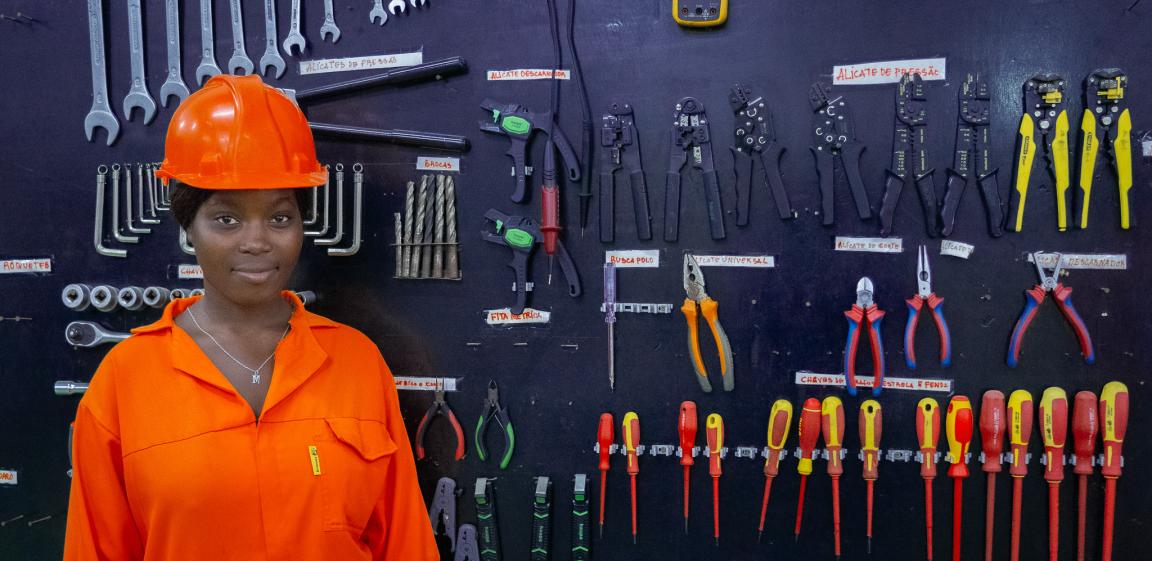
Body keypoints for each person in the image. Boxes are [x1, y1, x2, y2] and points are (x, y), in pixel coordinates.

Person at [63, 75, 438, 561]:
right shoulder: (123, 381)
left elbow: (405, 544)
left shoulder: (357, 363)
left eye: (280, 217)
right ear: (187, 226)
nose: (257, 241)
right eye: (226, 218)